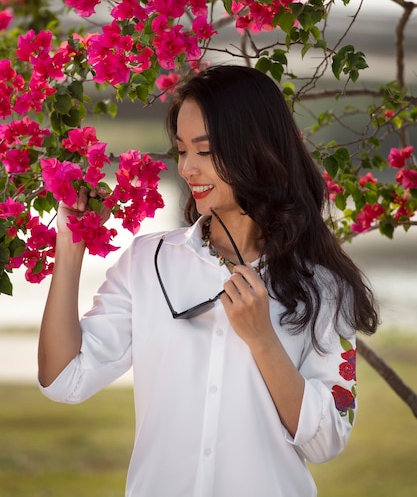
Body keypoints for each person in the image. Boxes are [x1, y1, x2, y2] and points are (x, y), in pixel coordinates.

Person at [38, 64, 379, 497]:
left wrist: (263, 340)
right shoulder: (149, 262)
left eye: (206, 150)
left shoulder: (326, 287)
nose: (187, 168)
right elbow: (63, 379)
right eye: (181, 150)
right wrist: (70, 244)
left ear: (258, 148)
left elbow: (327, 439)